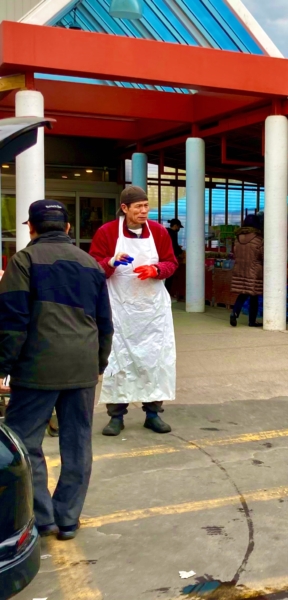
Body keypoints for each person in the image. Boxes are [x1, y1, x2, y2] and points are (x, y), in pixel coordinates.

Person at [0, 200, 113, 541]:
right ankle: (67, 518)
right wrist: (98, 364)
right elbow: (106, 323)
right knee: (78, 442)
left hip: (37, 369)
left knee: (23, 441)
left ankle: (42, 517)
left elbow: (12, 321)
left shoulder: (24, 261)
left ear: (31, 228)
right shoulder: (91, 264)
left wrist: (3, 366)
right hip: (82, 366)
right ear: (67, 228)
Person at [90, 186, 178, 436]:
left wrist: (156, 270)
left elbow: (171, 262)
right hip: (119, 308)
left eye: (146, 206)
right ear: (124, 208)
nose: (143, 211)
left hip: (152, 310)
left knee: (154, 359)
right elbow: (94, 266)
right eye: (138, 206)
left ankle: (153, 414)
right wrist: (111, 262)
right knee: (117, 360)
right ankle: (116, 416)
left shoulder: (159, 232)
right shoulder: (107, 232)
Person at [230, 214, 264, 328]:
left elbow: (235, 253)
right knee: (254, 296)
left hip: (240, 269)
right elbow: (262, 255)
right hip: (254, 270)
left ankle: (234, 313)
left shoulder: (237, 238)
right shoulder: (258, 239)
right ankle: (252, 321)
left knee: (243, 293)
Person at [165, 218, 184, 297]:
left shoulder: (165, 231)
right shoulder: (173, 233)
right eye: (179, 227)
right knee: (169, 277)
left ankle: (164, 294)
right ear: (176, 226)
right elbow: (174, 246)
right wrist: (181, 252)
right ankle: (166, 294)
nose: (179, 229)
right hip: (169, 258)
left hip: (162, 257)